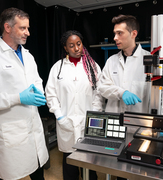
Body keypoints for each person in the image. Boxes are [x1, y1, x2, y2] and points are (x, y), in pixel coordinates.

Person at [0, 7, 48, 180]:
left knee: (37, 169)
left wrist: (38, 93)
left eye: (28, 28)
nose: (27, 33)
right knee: (6, 174)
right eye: (23, 28)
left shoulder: (28, 56)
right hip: (9, 132)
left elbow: (37, 81)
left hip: (32, 126)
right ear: (7, 27)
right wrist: (18, 98)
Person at [98, 15, 151, 179]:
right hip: (115, 124)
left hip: (140, 126)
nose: (115, 38)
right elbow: (102, 87)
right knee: (116, 166)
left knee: (138, 167)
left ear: (133, 33)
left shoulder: (149, 60)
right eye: (114, 33)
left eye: (120, 33)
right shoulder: (111, 61)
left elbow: (157, 98)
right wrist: (121, 92)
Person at [45, 30, 103, 180]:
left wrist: (95, 114)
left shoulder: (93, 66)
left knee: (90, 161)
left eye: (79, 44)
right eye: (71, 45)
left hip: (88, 121)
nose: (77, 48)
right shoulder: (58, 68)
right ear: (65, 48)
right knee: (69, 161)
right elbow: (51, 94)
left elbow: (99, 94)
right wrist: (59, 116)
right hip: (67, 121)